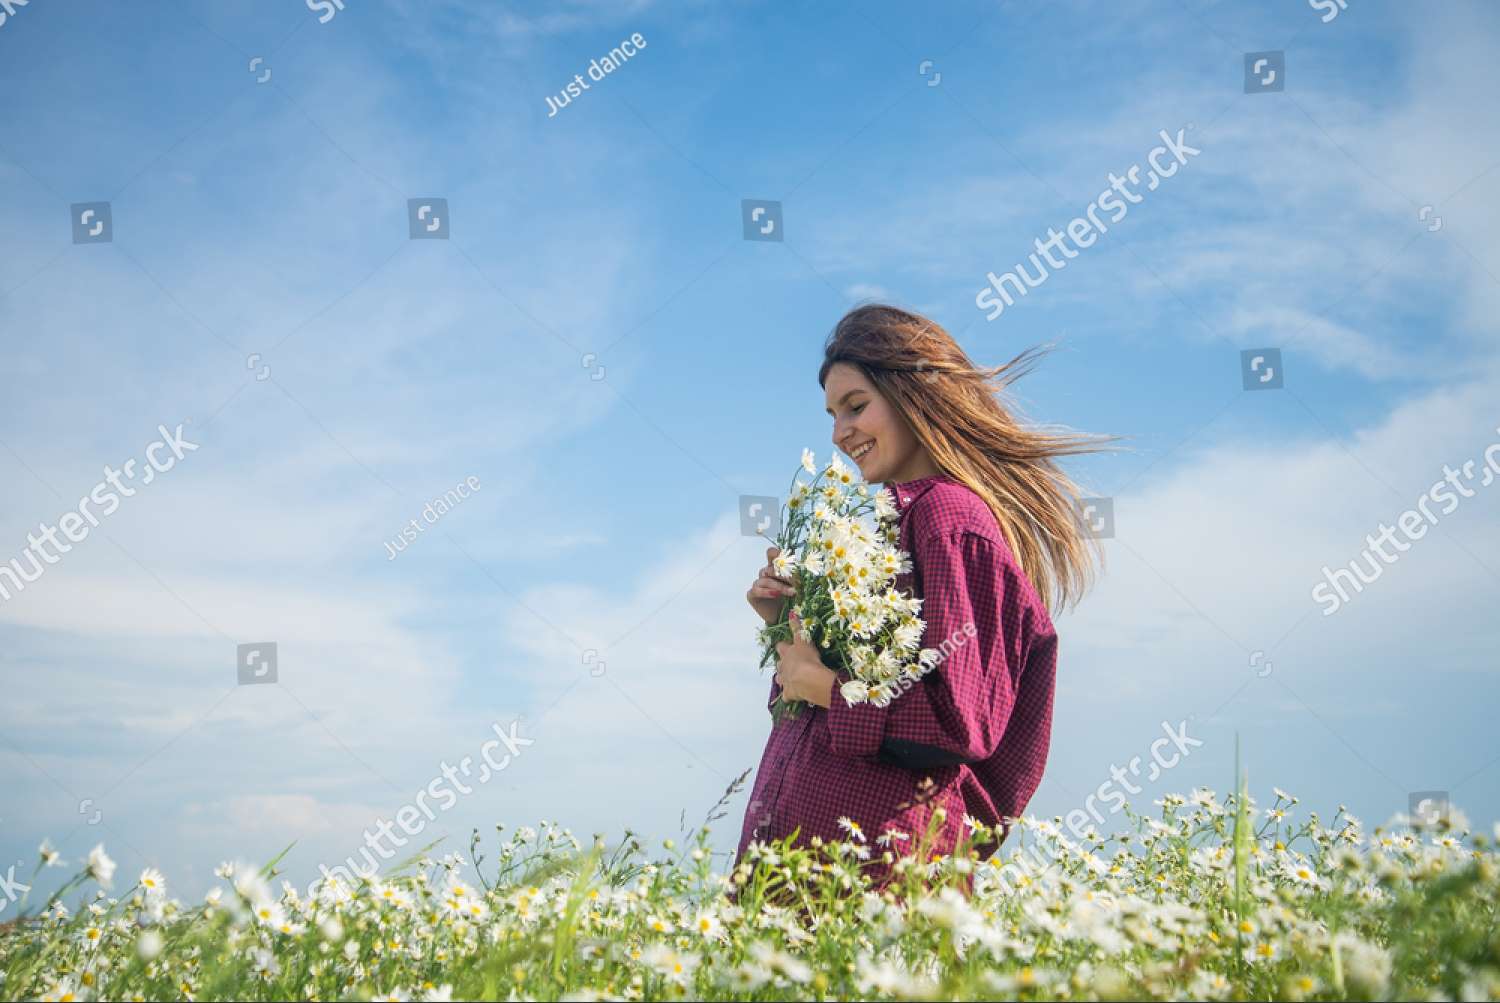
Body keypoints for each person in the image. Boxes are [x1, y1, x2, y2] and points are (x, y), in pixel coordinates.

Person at [734, 304, 1118, 893]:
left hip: (874, 875)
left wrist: (825, 689)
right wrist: (789, 626)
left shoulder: (946, 517)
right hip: (806, 868)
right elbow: (810, 719)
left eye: (856, 406)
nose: (839, 433)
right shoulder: (890, 529)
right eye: (834, 415)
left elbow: (959, 721)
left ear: (913, 394)